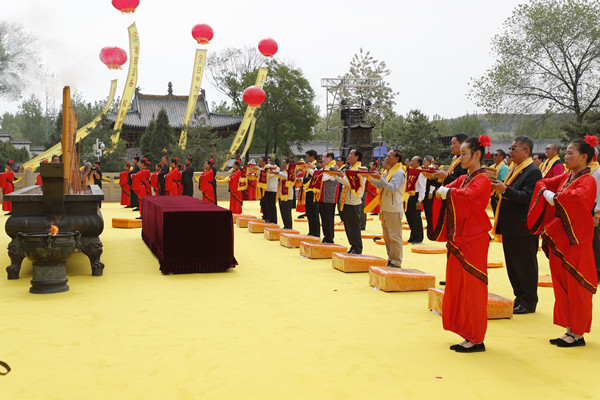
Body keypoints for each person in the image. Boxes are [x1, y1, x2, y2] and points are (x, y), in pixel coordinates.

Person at [526, 137, 598, 347]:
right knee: (562, 284)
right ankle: (569, 328)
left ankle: (578, 333)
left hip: (576, 239)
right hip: (561, 240)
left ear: (584, 157)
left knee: (577, 287)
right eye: (565, 153)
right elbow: (543, 183)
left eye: (570, 153)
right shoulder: (567, 177)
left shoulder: (588, 180)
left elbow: (575, 199)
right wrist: (546, 191)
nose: (566, 156)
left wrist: (553, 197)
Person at [428, 136, 492, 353]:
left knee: (473, 288)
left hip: (473, 239)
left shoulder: (482, 179)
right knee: (460, 287)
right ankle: (467, 333)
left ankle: (476, 337)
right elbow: (451, 187)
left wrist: (449, 192)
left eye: (464, 154)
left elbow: (469, 196)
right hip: (460, 238)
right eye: (460, 154)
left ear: (477, 154)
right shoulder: (466, 177)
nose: (460, 157)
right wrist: (441, 190)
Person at [491, 136, 542, 314]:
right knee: (513, 264)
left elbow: (528, 198)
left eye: (514, 148)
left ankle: (529, 300)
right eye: (510, 148)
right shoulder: (516, 168)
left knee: (525, 264)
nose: (510, 152)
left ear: (526, 151)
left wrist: (505, 190)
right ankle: (519, 297)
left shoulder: (533, 171)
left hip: (523, 227)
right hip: (510, 224)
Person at [366, 150, 406, 267]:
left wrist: (379, 177)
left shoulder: (399, 173)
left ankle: (397, 261)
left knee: (395, 237)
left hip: (393, 209)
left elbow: (392, 188)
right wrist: (368, 177)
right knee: (387, 237)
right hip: (386, 207)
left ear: (396, 158)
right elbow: (380, 185)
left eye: (389, 156)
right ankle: (391, 259)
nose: (387, 158)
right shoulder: (389, 172)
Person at [334, 149, 366, 253]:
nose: (348, 156)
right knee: (348, 226)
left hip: (353, 200)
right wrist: (338, 175)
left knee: (354, 226)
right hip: (347, 200)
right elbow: (346, 182)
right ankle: (353, 245)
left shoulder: (361, 169)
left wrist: (341, 176)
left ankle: (357, 247)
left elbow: (352, 184)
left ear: (357, 157)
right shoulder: (352, 168)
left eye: (351, 154)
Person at [306, 152, 339, 243]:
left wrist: (314, 169)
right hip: (322, 197)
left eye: (324, 157)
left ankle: (329, 238)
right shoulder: (326, 168)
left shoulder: (333, 168)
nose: (322, 159)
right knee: (324, 219)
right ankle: (326, 237)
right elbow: (317, 176)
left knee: (328, 219)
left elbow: (323, 177)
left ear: (330, 158)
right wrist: (309, 169)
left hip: (329, 198)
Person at [406, 156, 425, 244]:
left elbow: (422, 187)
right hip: (408, 196)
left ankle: (418, 237)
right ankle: (413, 236)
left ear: (418, 163)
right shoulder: (409, 171)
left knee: (416, 217)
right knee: (409, 216)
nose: (411, 162)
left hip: (415, 196)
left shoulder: (420, 173)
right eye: (411, 161)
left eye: (413, 161)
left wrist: (419, 200)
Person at [303, 150, 320, 237]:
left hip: (313, 192)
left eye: (307, 156)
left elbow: (314, 178)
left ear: (312, 157)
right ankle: (311, 231)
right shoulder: (308, 166)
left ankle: (316, 233)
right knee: (309, 213)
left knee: (314, 213)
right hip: (308, 192)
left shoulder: (316, 166)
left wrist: (302, 180)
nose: (306, 158)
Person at [258, 156, 279, 224]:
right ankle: (267, 218)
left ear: (264, 162)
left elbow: (268, 174)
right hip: (265, 189)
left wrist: (259, 170)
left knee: (271, 205)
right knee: (266, 205)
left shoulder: (273, 168)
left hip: (271, 189)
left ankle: (273, 220)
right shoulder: (263, 168)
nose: (259, 162)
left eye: (260, 161)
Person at [276, 158, 294, 229]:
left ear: (287, 164)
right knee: (283, 211)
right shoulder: (283, 172)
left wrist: (278, 173)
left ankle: (288, 226)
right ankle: (285, 225)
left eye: (283, 163)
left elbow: (288, 177)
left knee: (287, 212)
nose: (282, 164)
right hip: (281, 194)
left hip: (287, 195)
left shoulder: (291, 172)